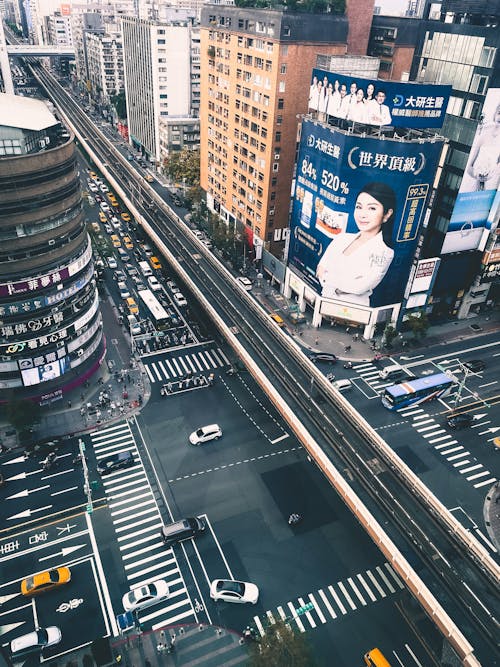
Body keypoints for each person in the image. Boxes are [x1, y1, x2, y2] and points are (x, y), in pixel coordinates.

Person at [316, 182, 396, 307]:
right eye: (359, 207)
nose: (362, 214)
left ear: (387, 214)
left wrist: (328, 278)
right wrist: (341, 283)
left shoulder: (384, 252)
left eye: (372, 208)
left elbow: (359, 287)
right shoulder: (342, 238)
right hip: (323, 302)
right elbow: (320, 267)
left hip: (352, 311)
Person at [464, 103, 500, 191]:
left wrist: (488, 177)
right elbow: (469, 167)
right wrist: (478, 175)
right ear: (495, 114)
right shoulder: (484, 133)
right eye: (499, 113)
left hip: (490, 183)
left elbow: (497, 169)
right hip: (473, 180)